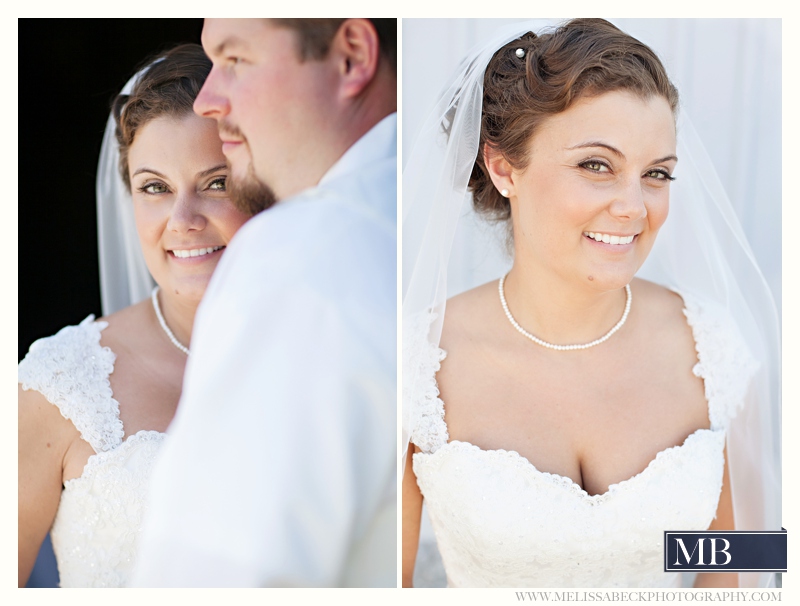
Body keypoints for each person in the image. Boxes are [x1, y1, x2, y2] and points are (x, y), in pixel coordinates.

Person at [402, 19, 780, 589]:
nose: (634, 207)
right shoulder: (417, 365)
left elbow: (738, 561)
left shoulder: (711, 348)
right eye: (596, 165)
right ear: (504, 168)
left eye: (656, 174)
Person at [131, 19, 397, 587]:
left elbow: (223, 580)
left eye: (234, 60)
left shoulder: (298, 255)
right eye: (153, 187)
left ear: (351, 56)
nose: (208, 98)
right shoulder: (419, 207)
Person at [17, 43, 251, 588]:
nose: (183, 219)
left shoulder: (329, 355)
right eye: (155, 188)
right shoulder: (60, 384)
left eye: (216, 182)